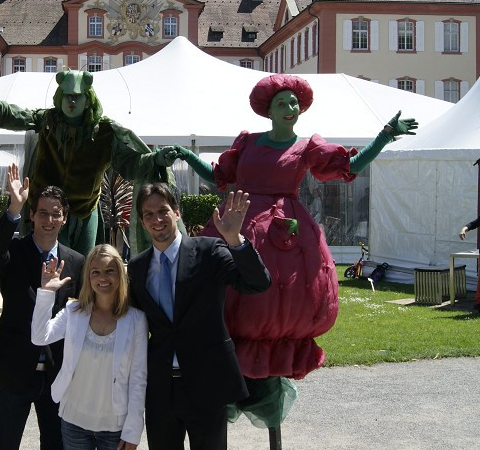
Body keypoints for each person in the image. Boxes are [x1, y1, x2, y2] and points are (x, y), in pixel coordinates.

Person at [172, 74, 417, 381]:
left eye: (294, 102)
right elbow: (219, 173)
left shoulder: (307, 147)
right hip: (236, 219)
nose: (290, 107)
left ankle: (268, 368)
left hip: (282, 232)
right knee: (223, 288)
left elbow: (349, 167)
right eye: (282, 102)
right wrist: (186, 154)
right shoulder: (247, 141)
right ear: (268, 110)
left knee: (274, 297)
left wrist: (385, 135)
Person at [128, 183, 271, 450]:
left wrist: (235, 240)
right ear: (142, 221)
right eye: (148, 214)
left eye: (162, 210)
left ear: (176, 212)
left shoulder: (209, 252)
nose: (156, 219)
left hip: (206, 386)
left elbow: (257, 282)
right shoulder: (136, 269)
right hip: (162, 390)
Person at [0, 64, 178, 254]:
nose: (72, 101)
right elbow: (13, 115)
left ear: (87, 100)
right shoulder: (47, 120)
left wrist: (155, 159)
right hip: (48, 210)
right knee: (45, 264)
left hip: (84, 212)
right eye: (67, 96)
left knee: (83, 270)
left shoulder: (104, 132)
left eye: (77, 96)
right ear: (59, 98)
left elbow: (130, 164)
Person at [0, 164, 85, 450]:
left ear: (64, 218)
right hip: (14, 374)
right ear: (32, 215)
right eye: (42, 213)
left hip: (58, 378)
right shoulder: (14, 253)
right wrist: (11, 209)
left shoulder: (76, 262)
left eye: (55, 214)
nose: (48, 219)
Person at [32, 245, 147, 450]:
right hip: (74, 423)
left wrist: (133, 429)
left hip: (114, 427)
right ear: (88, 277)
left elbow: (139, 378)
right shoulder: (74, 313)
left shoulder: (135, 319)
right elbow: (39, 336)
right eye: (95, 272)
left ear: (120, 274)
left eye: (109, 271)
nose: (102, 277)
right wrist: (47, 292)